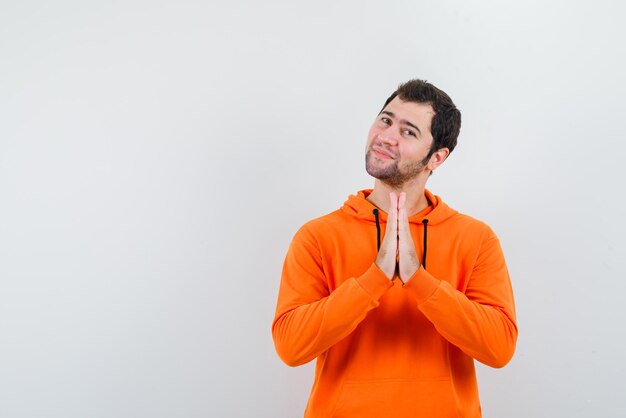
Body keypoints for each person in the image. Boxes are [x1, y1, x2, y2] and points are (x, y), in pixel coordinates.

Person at [271, 79, 517, 418]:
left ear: (437, 157)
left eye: (409, 132)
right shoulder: (318, 236)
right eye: (385, 120)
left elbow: (499, 348)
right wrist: (375, 278)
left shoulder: (475, 238)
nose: (386, 136)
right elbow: (291, 347)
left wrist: (419, 279)